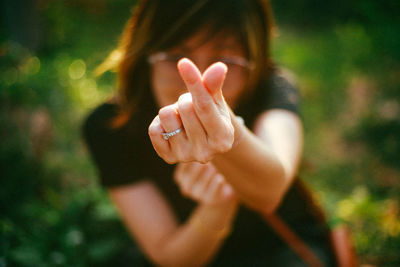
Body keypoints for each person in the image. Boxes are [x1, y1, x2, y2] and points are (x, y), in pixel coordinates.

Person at [83, 0, 337, 266]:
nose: (199, 81)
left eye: (226, 59)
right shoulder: (110, 126)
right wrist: (216, 208)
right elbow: (170, 257)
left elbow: (270, 190)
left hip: (280, 248)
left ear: (253, 59)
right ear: (146, 53)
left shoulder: (271, 88)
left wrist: (230, 135)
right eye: (175, 56)